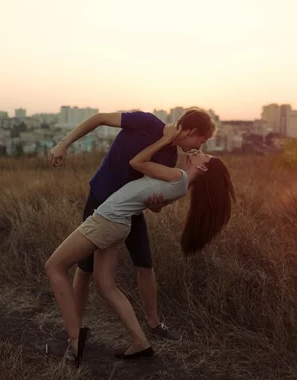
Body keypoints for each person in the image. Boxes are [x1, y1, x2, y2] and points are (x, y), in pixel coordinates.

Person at [45, 122, 236, 366]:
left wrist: (165, 140)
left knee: (54, 267)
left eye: (204, 155)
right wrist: (153, 201)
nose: (199, 151)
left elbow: (136, 163)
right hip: (120, 224)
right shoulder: (181, 186)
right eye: (202, 147)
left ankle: (74, 340)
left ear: (204, 168)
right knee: (105, 286)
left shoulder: (179, 176)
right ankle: (140, 343)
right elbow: (153, 202)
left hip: (107, 220)